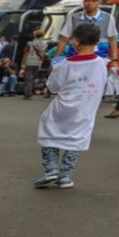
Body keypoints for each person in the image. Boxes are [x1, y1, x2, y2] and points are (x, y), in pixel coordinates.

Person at [34, 23, 107, 190]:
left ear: (75, 41)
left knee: (48, 132)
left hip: (62, 107)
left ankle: (51, 168)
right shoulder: (101, 63)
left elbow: (52, 86)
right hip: (85, 110)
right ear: (97, 41)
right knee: (76, 140)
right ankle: (65, 176)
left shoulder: (65, 64)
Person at [55, 0, 119, 62]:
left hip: (100, 58)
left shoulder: (108, 18)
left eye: (94, 1)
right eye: (87, 0)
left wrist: (114, 60)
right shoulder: (74, 18)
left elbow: (112, 40)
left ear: (99, 2)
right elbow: (64, 40)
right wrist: (55, 60)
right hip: (75, 58)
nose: (90, 3)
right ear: (83, 2)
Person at [20, 29, 48, 100]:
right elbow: (43, 54)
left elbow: (26, 53)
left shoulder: (30, 43)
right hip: (38, 62)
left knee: (28, 78)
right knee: (33, 78)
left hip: (30, 61)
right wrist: (40, 62)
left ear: (35, 35)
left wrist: (23, 63)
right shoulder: (45, 43)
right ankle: (31, 91)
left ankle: (28, 94)